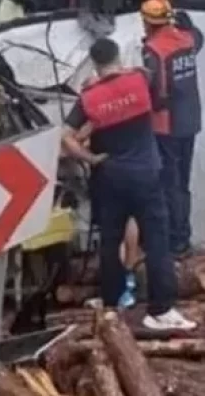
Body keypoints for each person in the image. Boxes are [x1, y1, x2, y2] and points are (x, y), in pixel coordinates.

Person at [63, 37, 196, 332]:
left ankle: (112, 301)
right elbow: (151, 74)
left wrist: (90, 158)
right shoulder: (138, 80)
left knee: (110, 242)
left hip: (108, 176)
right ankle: (160, 310)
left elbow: (67, 137)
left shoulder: (88, 98)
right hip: (146, 175)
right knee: (158, 240)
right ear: (117, 56)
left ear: (94, 63)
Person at [140, 0, 204, 257]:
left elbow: (155, 92)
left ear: (146, 23)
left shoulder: (153, 50)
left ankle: (175, 240)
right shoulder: (186, 39)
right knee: (183, 182)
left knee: (169, 183)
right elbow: (198, 37)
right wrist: (189, 23)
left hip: (166, 125)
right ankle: (183, 236)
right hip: (190, 120)